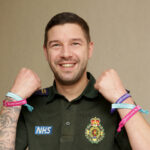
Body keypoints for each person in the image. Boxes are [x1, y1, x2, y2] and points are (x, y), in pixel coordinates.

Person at [0, 12, 150, 150]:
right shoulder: (30, 105)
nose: (66, 54)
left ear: (89, 49)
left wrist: (122, 97)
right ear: (46, 52)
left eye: (75, 44)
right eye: (56, 45)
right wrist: (13, 96)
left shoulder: (118, 103)